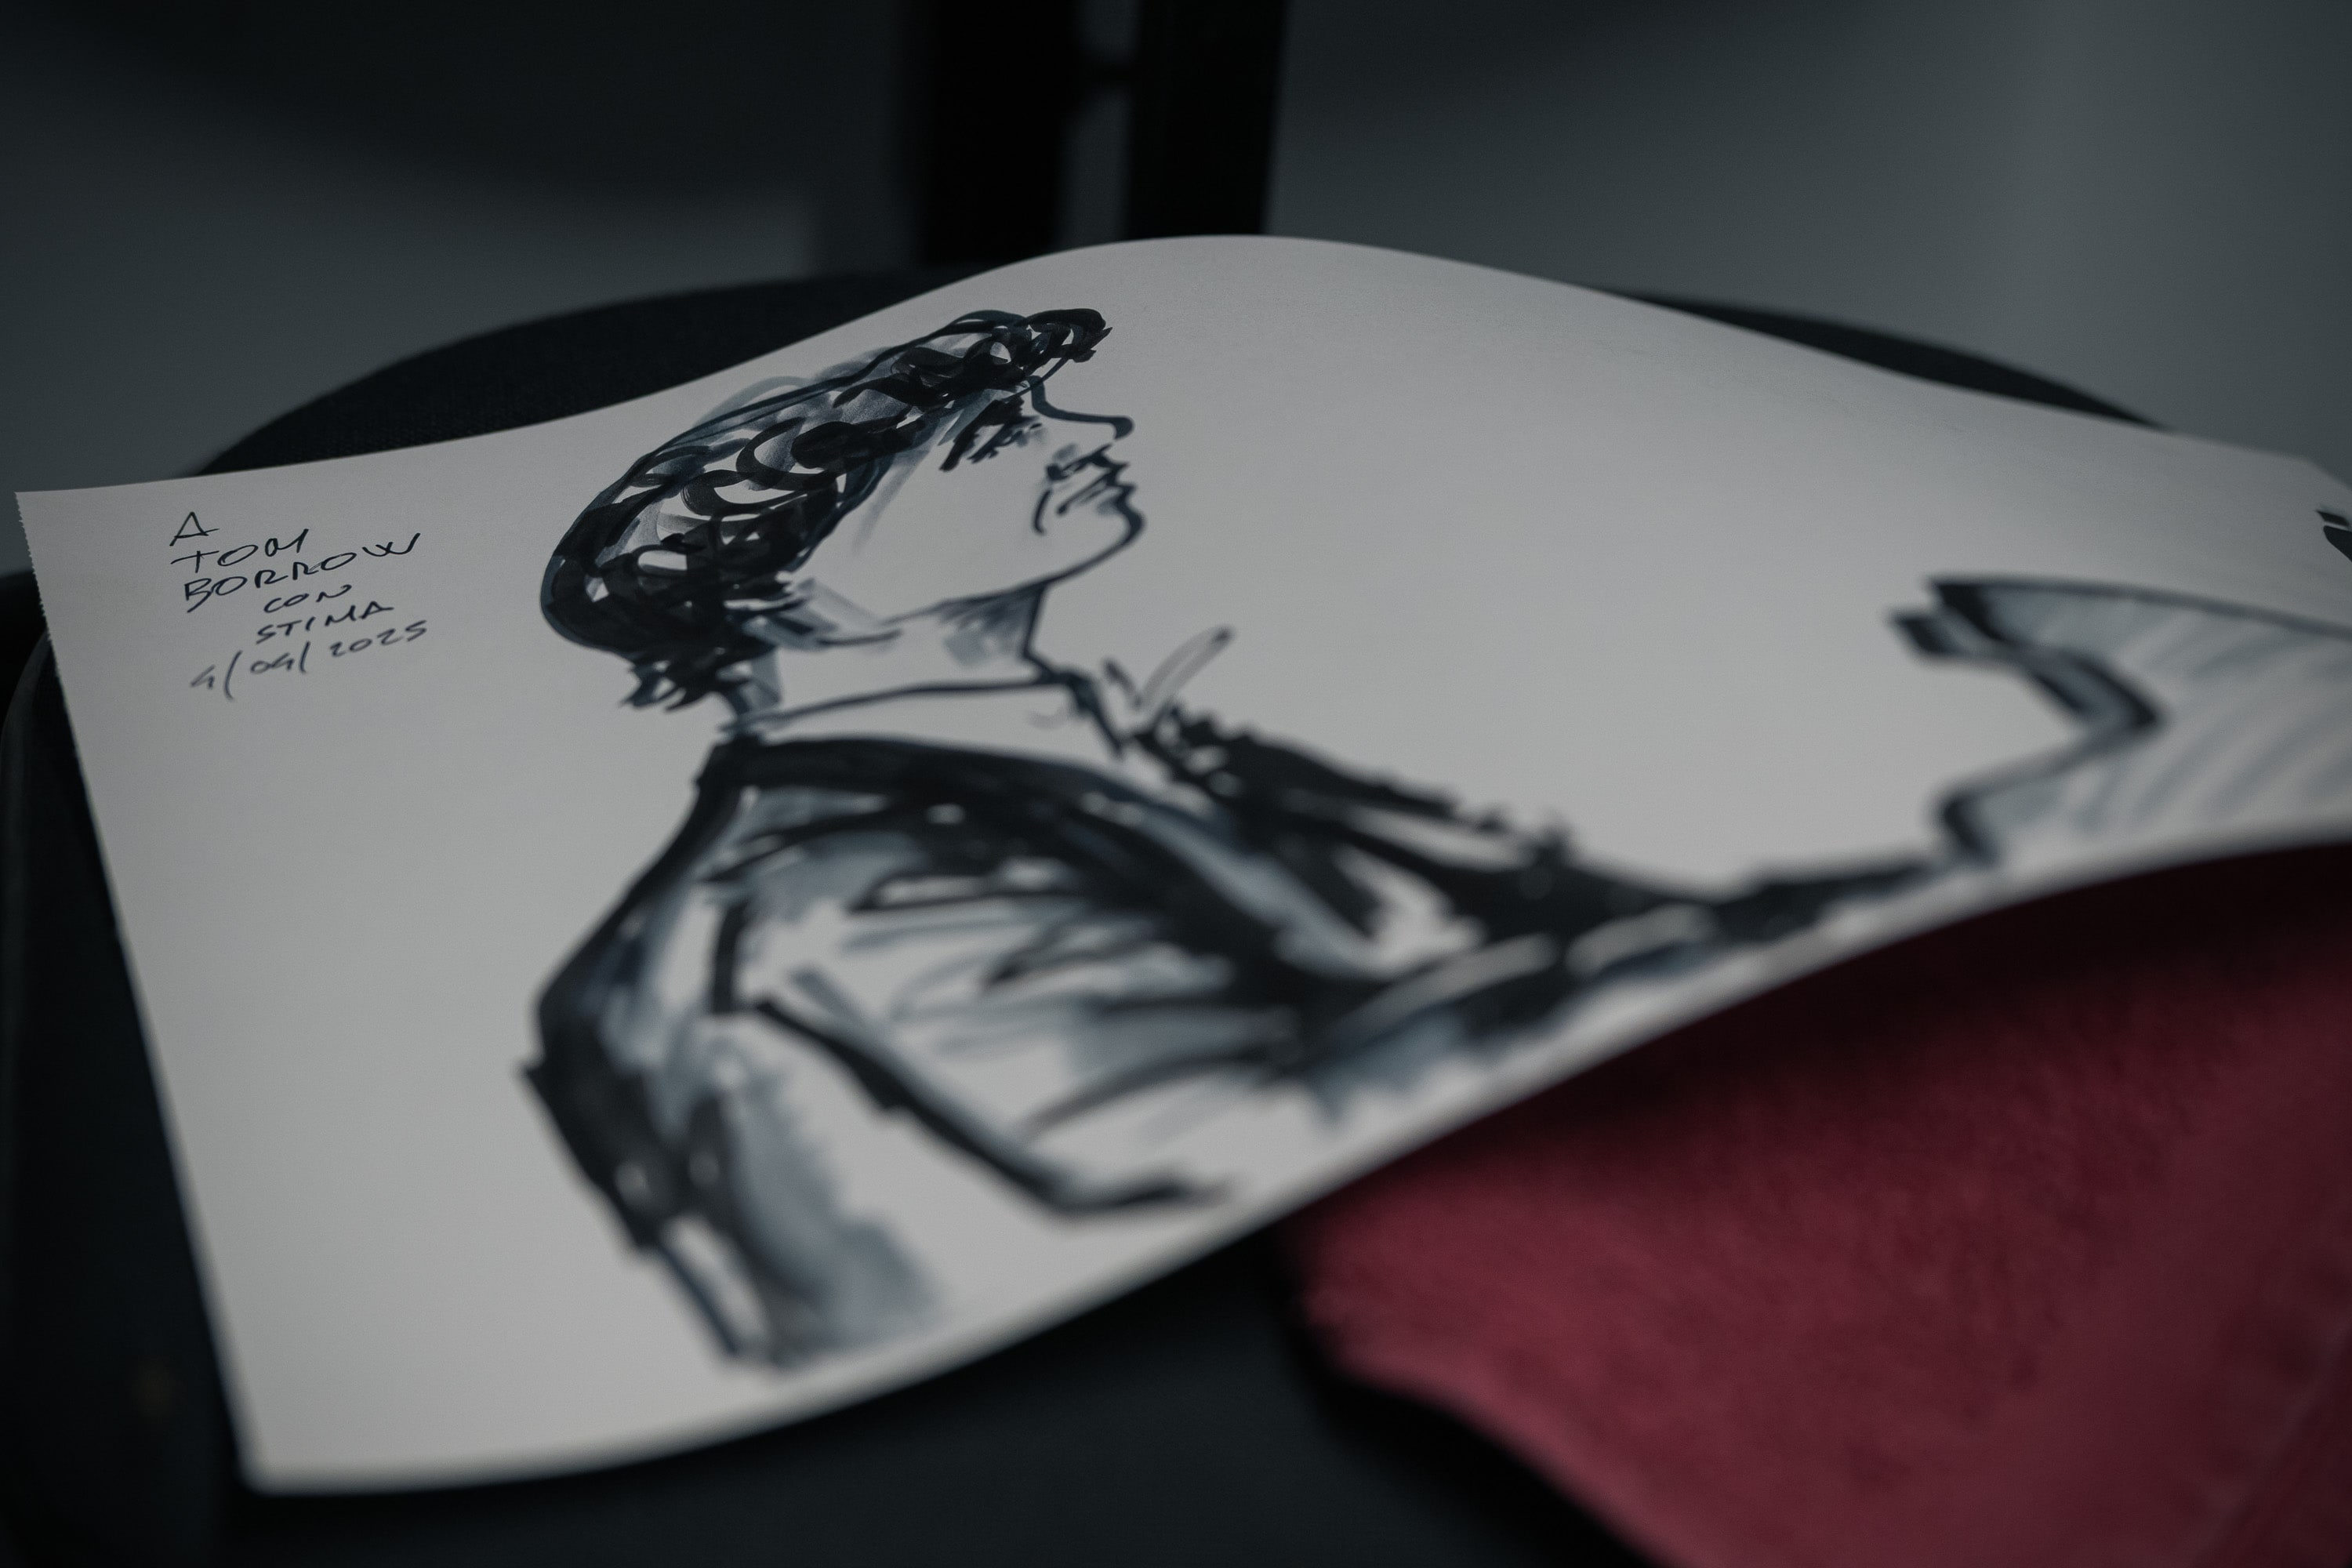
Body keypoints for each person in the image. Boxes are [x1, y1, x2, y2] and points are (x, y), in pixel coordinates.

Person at [528, 307, 1922, 1365]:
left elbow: (1556, 905)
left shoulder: (1132, 744)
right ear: (785, 590)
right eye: (1001, 440)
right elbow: (1256, 1128)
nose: (1094, 436)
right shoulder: (819, 882)